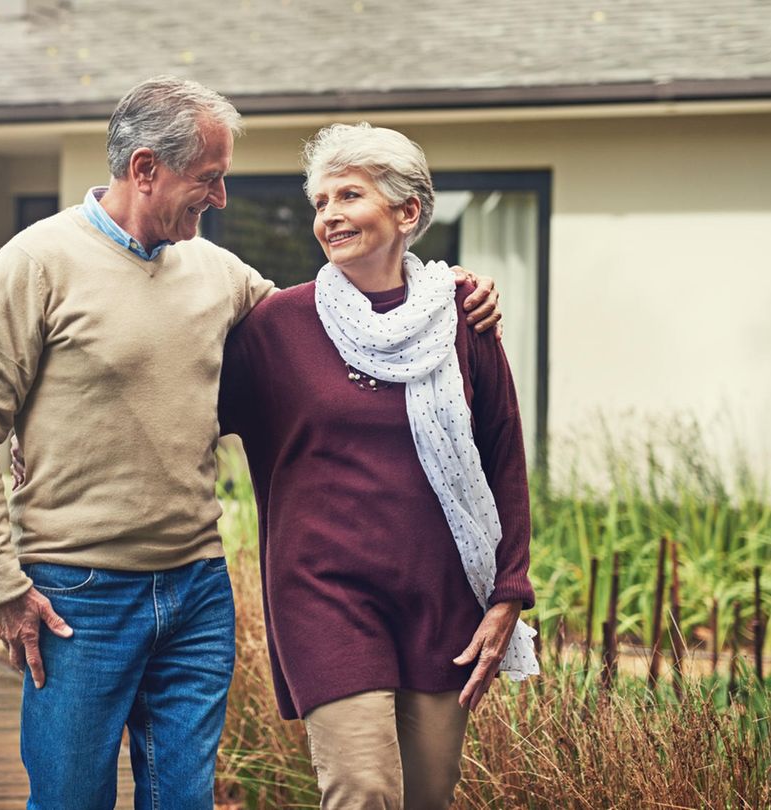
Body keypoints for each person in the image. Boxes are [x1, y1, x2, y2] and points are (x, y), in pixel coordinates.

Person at [0, 77, 501, 809]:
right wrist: (0, 586)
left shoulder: (221, 275)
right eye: (209, 178)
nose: (222, 197)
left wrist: (442, 293)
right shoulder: (34, 264)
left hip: (196, 589)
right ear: (146, 170)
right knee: (71, 797)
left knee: (185, 800)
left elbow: (338, 326)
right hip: (77, 594)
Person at [218, 122, 539, 810]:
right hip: (323, 595)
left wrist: (508, 591)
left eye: (348, 195)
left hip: (442, 595)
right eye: (321, 202)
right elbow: (181, 408)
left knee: (427, 794)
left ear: (407, 212)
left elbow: (503, 456)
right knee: (362, 790)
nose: (328, 215)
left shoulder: (461, 319)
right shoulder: (278, 328)